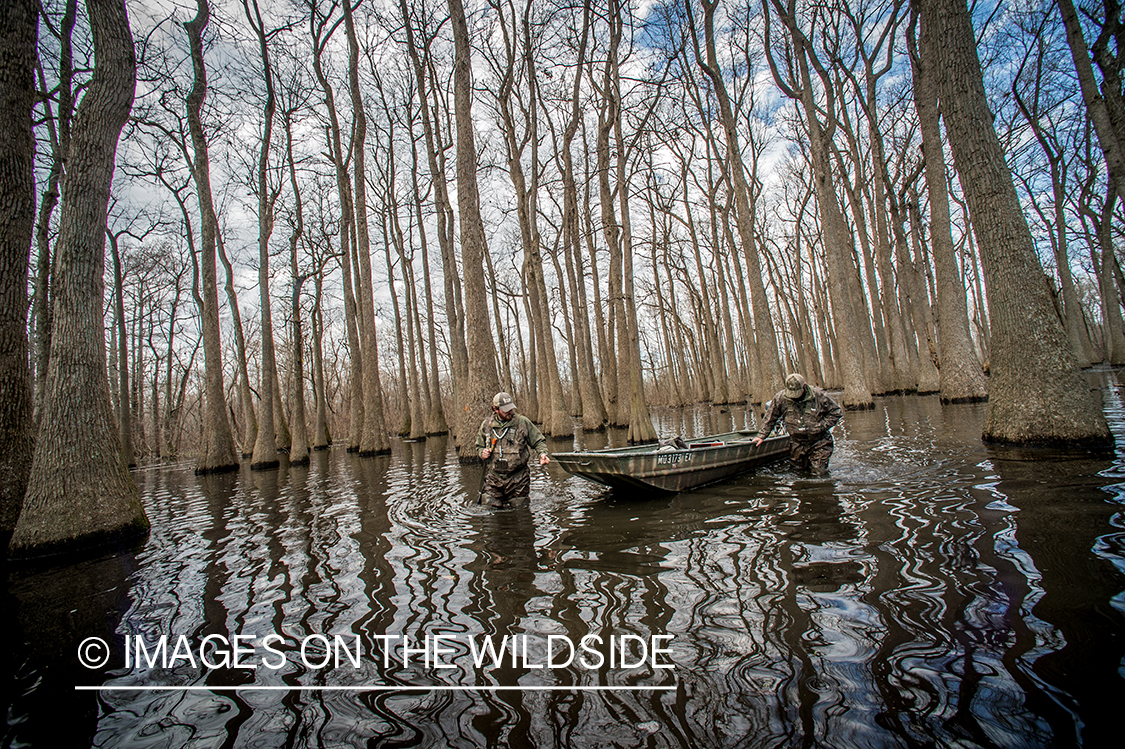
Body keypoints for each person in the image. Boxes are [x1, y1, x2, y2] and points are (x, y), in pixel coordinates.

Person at [752, 373, 842, 474]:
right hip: (797, 443)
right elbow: (770, 417)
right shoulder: (780, 397)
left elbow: (836, 412)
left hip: (819, 441)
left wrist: (821, 426)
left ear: (804, 386)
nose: (795, 396)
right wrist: (761, 436)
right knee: (797, 472)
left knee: (819, 472)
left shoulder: (819, 395)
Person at [476, 392, 550, 508]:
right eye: (506, 410)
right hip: (494, 477)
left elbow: (538, 441)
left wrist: (542, 454)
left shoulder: (523, 422)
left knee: (520, 510)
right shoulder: (486, 425)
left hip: (518, 478)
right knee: (488, 508)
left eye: (511, 408)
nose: (510, 412)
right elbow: (479, 446)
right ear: (496, 409)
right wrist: (482, 452)